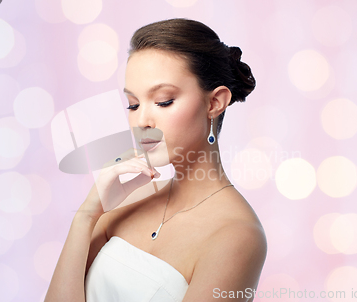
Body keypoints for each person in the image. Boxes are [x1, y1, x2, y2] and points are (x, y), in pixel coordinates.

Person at [45, 18, 267, 302]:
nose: (142, 121)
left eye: (163, 101)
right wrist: (87, 215)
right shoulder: (125, 200)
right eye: (133, 104)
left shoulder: (238, 235)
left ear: (214, 103)